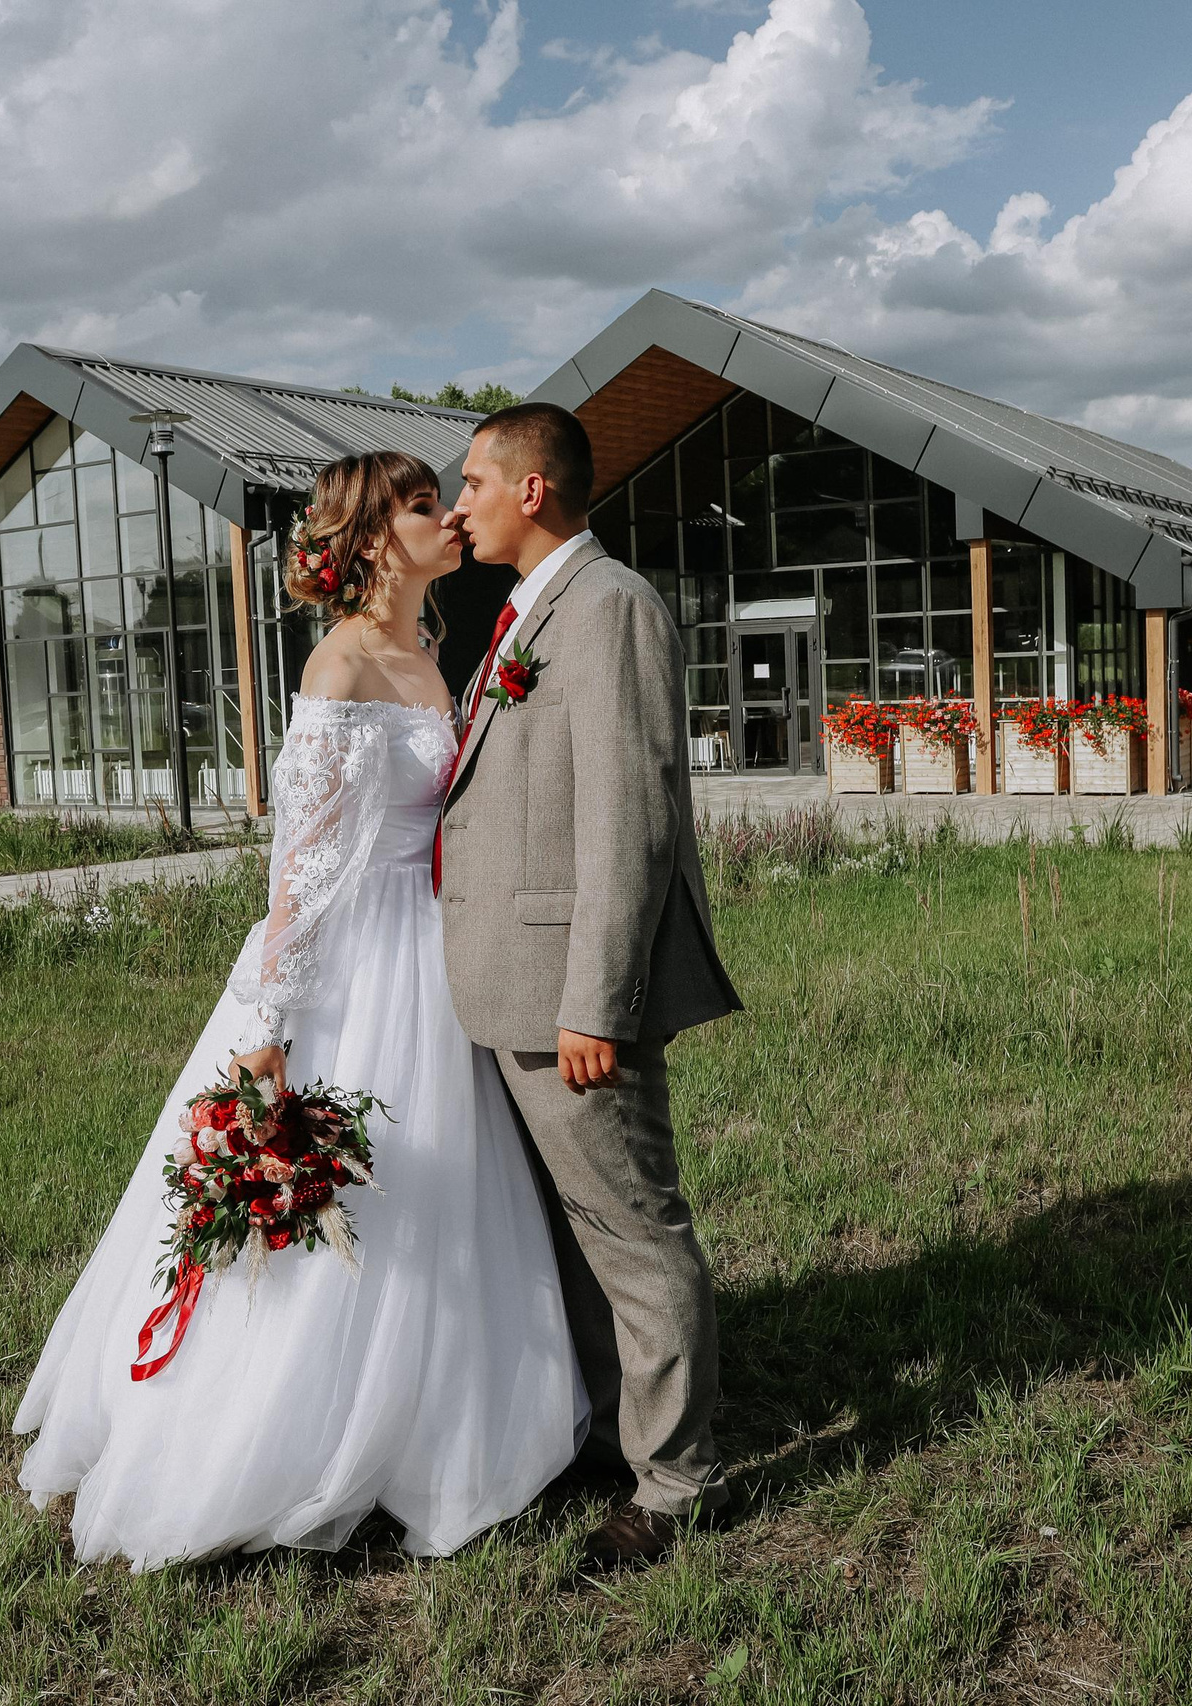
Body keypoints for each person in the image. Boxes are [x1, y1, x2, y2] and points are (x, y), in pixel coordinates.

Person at [10, 450, 587, 1571]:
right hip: (352, 966)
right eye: (423, 506)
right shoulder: (340, 665)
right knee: (347, 1196)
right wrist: (271, 1025)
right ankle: (273, 1433)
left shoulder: (431, 650)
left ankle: (429, 1409)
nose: (448, 518)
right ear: (371, 540)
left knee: (448, 1193)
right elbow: (304, 866)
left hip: (432, 953)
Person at [440, 402, 744, 1568]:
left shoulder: (609, 605)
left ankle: (675, 1483)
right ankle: (616, 1433)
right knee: (572, 1234)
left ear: (531, 489)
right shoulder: (529, 607)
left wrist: (595, 1002)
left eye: (472, 482)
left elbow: (630, 817)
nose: (457, 505)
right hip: (504, 984)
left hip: (565, 994)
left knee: (630, 1228)